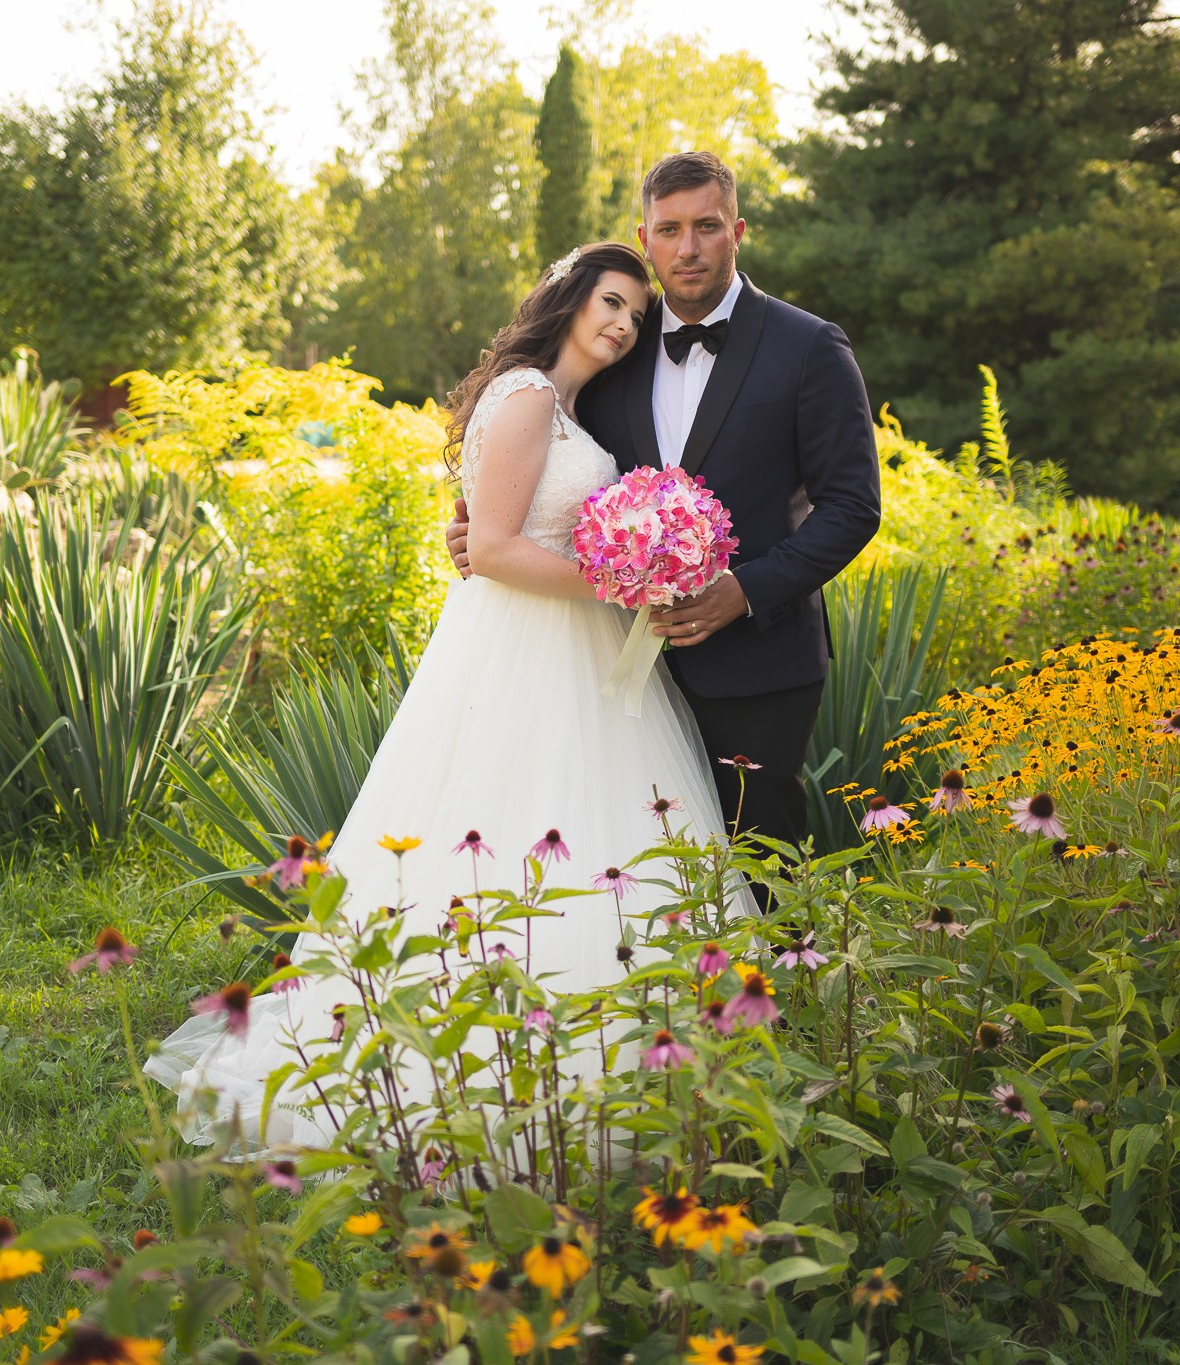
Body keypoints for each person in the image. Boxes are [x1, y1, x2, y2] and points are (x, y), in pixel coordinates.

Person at [143, 242, 754, 1156]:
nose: (625, 324)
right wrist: (625, 581)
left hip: (576, 656)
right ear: (570, 298)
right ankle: (479, 1073)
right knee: (508, 835)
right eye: (612, 302)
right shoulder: (526, 397)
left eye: (636, 311)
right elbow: (500, 549)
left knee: (592, 837)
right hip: (526, 651)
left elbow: (491, 530)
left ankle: (622, 1063)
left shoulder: (566, 408)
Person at [448, 150, 882, 849]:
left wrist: (742, 590)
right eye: (670, 229)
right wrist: (487, 533)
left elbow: (853, 506)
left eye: (706, 226)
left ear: (737, 232)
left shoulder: (808, 347)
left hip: (759, 668)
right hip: (615, 669)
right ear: (644, 238)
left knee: (758, 870)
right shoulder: (618, 344)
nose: (688, 247)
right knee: (631, 867)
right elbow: (549, 463)